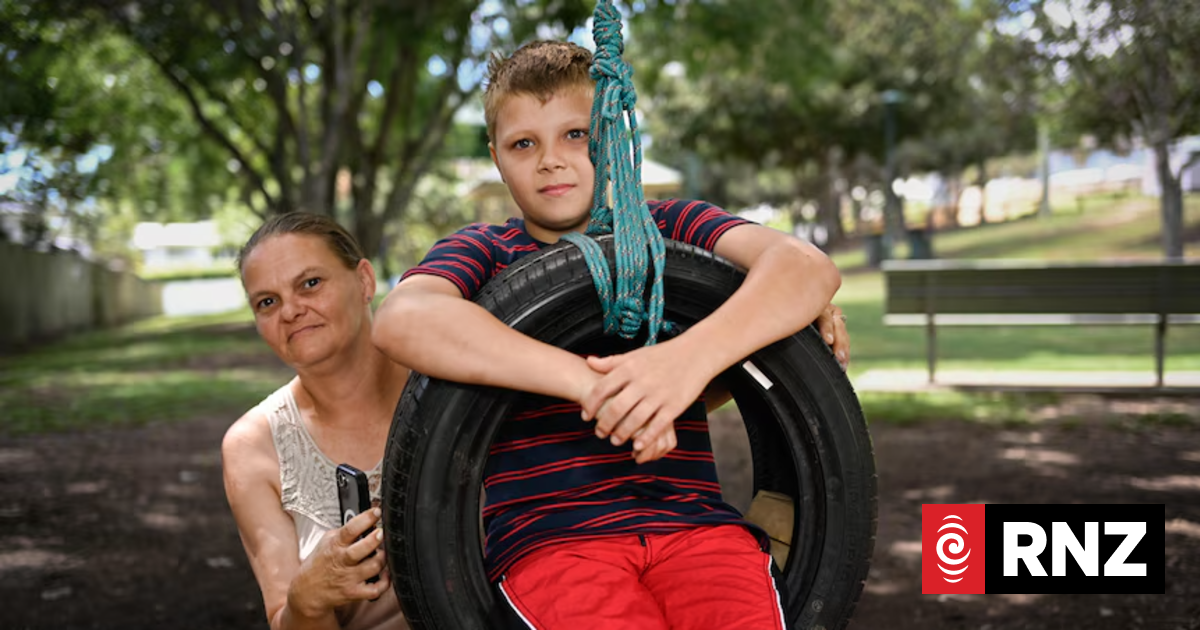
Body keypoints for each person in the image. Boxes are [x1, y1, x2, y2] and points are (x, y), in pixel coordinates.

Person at [371, 40, 846, 629]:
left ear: (612, 137)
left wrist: (682, 363)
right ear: (496, 157)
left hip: (696, 529)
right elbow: (402, 318)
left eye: (576, 135)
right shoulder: (485, 252)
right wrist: (593, 385)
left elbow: (806, 267)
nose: (551, 161)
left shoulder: (668, 229)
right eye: (524, 144)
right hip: (551, 544)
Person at [222, 213, 409, 630]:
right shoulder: (253, 446)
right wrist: (308, 597)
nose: (290, 311)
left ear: (364, 281)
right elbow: (284, 618)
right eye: (267, 302)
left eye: (310, 283)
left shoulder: (446, 381)